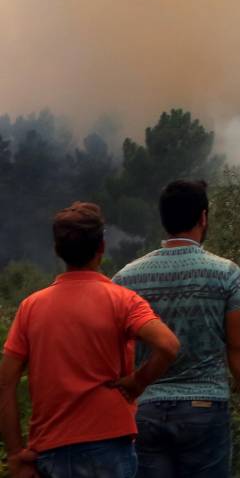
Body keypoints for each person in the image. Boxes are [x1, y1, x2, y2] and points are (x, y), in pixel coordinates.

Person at [0, 202, 181, 478]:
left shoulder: (30, 308)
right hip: (110, 446)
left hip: (51, 449)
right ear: (101, 248)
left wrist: (15, 453)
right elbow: (168, 345)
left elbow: (6, 382)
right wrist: (136, 382)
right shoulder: (122, 300)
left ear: (58, 251)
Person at [112, 180, 240, 478]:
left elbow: (115, 348)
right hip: (205, 407)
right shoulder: (225, 274)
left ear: (164, 219)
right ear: (203, 217)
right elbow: (239, 345)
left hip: (147, 411)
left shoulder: (126, 279)